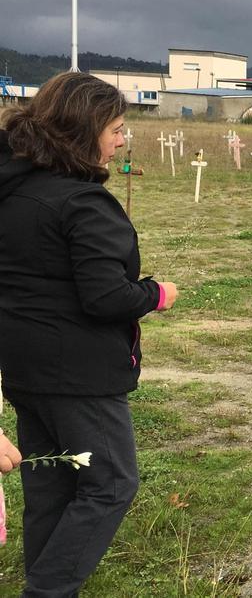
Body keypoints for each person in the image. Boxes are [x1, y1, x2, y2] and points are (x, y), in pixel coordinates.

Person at [0, 72, 179, 594]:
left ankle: (49, 581)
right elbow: (105, 296)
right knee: (112, 483)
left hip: (24, 365)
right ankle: (48, 590)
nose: (123, 140)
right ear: (84, 129)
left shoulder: (14, 190)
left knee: (51, 485)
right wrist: (155, 293)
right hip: (79, 373)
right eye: (117, 128)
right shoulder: (81, 202)